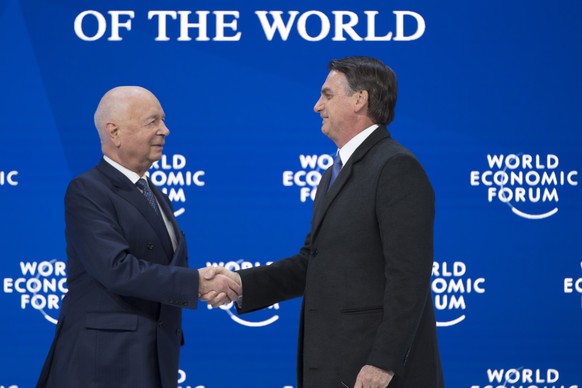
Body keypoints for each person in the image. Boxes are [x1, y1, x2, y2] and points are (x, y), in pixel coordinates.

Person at [208, 56, 444, 387]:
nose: (317, 106)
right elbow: (313, 263)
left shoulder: (396, 168)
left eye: (327, 94)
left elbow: (409, 276)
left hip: (372, 372)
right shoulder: (332, 175)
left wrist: (383, 362)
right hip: (335, 365)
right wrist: (240, 284)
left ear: (360, 99)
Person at [36, 86, 241, 388]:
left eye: (163, 120)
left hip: (153, 358)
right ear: (114, 132)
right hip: (104, 365)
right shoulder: (88, 190)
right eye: (152, 121)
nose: (165, 130)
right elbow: (116, 269)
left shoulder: (155, 195)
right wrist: (197, 282)